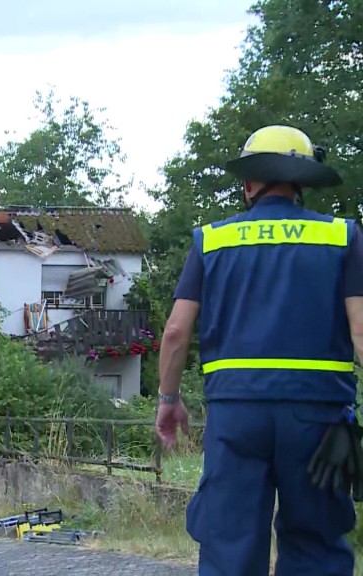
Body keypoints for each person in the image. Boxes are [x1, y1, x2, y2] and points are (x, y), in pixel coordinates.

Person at [156, 124, 363, 575]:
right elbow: (361, 331)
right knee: (316, 547)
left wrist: (169, 400)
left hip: (235, 416)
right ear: (301, 183)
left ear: (249, 183)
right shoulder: (342, 237)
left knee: (229, 545)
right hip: (319, 419)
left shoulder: (211, 240)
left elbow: (175, 332)